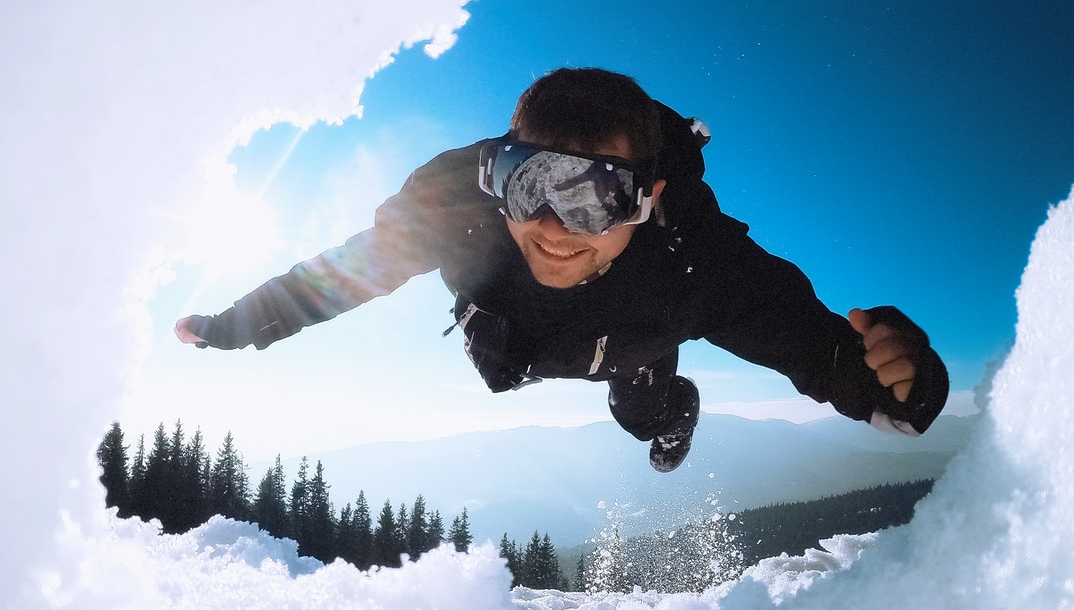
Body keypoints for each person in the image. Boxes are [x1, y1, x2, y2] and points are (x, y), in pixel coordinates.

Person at [176, 67, 949, 472]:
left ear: (648, 200)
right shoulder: (458, 213)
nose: (550, 226)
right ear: (495, 176)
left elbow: (810, 344)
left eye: (595, 199)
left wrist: (894, 384)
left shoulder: (694, 264)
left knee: (643, 406)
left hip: (635, 343)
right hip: (513, 341)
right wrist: (230, 327)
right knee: (508, 360)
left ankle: (668, 416)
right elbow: (337, 277)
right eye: (529, 182)